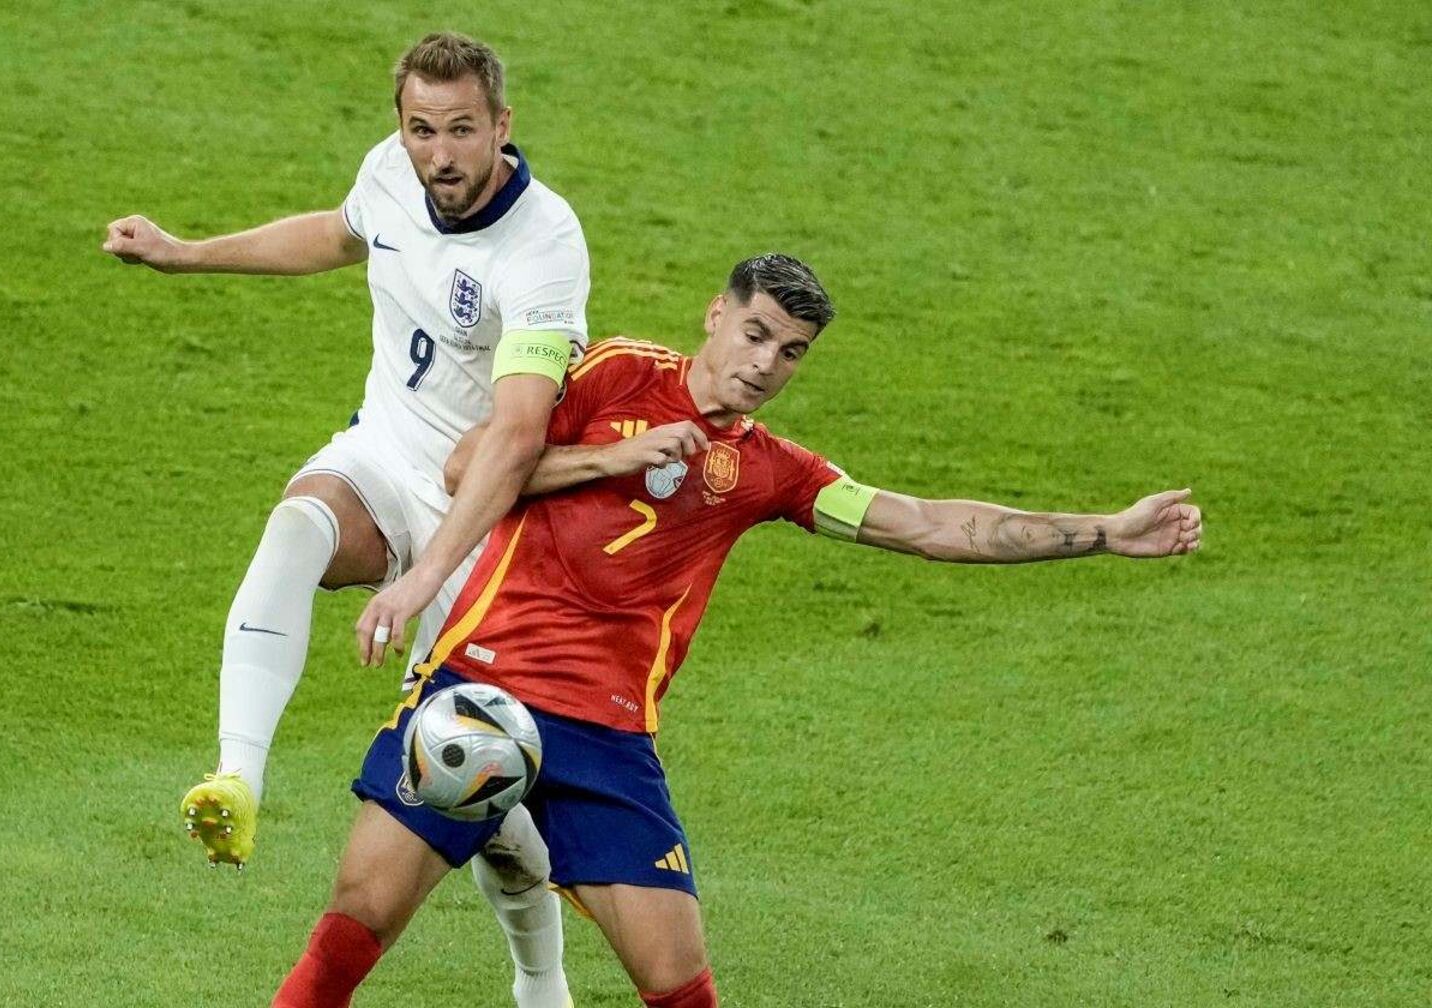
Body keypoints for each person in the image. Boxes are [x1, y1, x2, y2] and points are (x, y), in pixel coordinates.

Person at [270, 254, 1204, 1008]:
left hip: (607, 738)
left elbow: (923, 522)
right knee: (357, 921)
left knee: (678, 983)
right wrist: (617, 454)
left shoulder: (771, 471)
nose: (766, 362)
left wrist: (1105, 533)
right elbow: (471, 464)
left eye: (791, 351)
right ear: (717, 315)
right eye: (757, 333)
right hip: (480, 693)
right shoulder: (613, 371)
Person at [101, 32, 586, 1008]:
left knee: (477, 780)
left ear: (502, 126)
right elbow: (336, 234)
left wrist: (420, 575)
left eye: (459, 130)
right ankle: (237, 780)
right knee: (296, 525)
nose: (438, 155)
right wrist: (185, 255)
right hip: (383, 454)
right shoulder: (390, 172)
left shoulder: (543, 244)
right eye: (420, 130)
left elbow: (517, 437)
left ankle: (542, 981)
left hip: (482, 523)